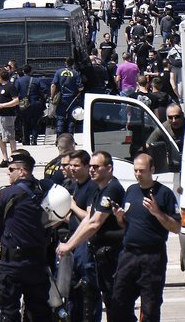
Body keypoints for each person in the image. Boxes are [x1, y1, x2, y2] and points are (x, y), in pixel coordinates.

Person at [0, 150, 53, 321]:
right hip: (38, 261)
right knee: (39, 310)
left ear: (22, 171)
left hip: (12, 264)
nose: (8, 172)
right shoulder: (45, 190)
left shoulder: (5, 194)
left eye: (11, 169)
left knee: (7, 310)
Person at [56, 151, 125, 321]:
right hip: (100, 255)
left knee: (115, 304)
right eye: (92, 167)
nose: (92, 170)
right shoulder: (99, 191)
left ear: (109, 168)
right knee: (100, 297)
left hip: (113, 256)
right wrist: (69, 245)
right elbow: (88, 220)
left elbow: (95, 223)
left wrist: (69, 246)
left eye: (96, 167)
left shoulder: (112, 189)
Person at [111, 153, 180, 322]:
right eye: (135, 170)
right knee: (119, 303)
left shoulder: (164, 194)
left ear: (153, 170)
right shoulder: (131, 191)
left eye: (142, 171)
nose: (138, 174)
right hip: (128, 256)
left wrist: (158, 213)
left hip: (152, 258)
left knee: (150, 307)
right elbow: (126, 225)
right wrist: (120, 218)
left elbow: (176, 227)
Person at [67, 150, 100, 322]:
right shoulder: (74, 186)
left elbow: (88, 217)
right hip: (73, 242)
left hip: (86, 245)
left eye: (76, 165)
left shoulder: (92, 187)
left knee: (88, 288)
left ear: (87, 167)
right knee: (73, 289)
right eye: (71, 165)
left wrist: (72, 205)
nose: (72, 169)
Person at [0, 70, 19, 169]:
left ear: (1, 78)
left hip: (7, 115)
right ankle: (5, 159)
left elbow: (16, 101)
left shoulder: (10, 87)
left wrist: (2, 105)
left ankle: (14, 157)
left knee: (10, 136)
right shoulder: (1, 87)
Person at [51, 58, 84, 135]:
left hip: (61, 98)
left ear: (65, 63)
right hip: (72, 99)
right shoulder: (75, 73)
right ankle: (70, 136)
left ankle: (59, 136)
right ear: (73, 64)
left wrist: (52, 97)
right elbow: (80, 87)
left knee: (60, 117)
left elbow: (53, 85)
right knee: (71, 118)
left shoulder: (59, 72)